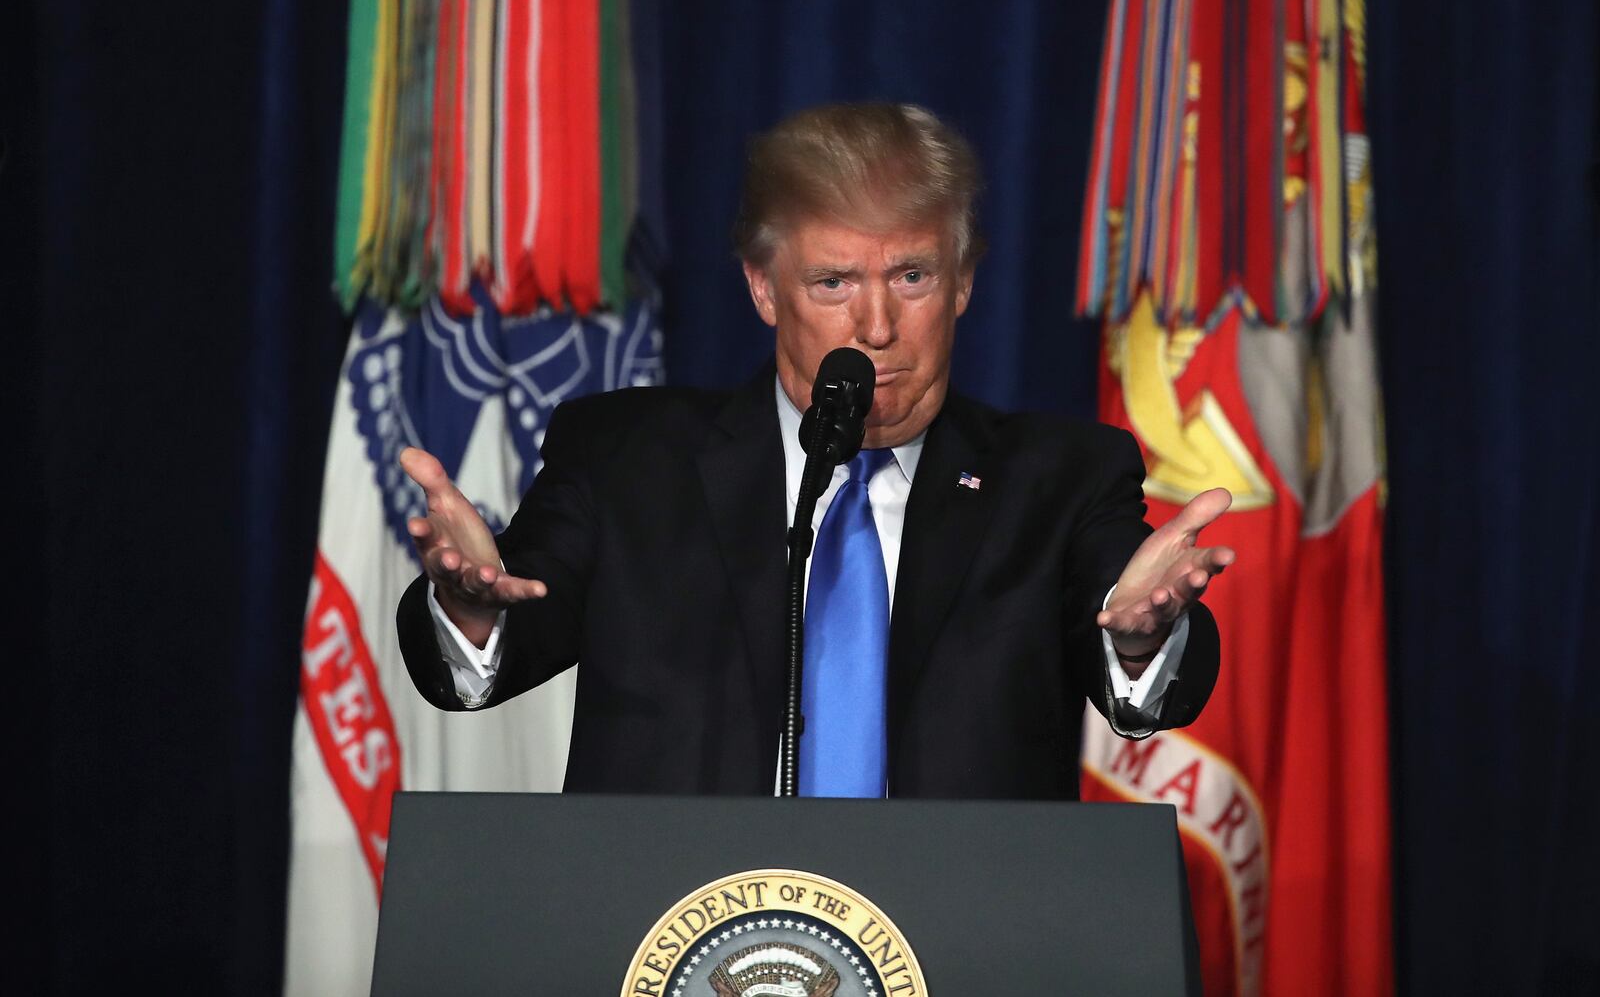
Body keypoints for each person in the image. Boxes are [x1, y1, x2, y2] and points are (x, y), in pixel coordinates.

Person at [395, 102, 1233, 799]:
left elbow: (1133, 664)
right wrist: (472, 607)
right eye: (833, 283)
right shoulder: (626, 459)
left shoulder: (1063, 479)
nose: (876, 327)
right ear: (763, 287)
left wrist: (1138, 641)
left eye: (912, 276)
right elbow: (496, 650)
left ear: (965, 282)